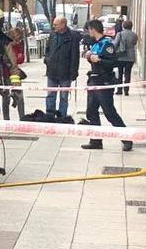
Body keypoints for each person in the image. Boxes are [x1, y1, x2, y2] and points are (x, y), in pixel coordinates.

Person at [81, 20, 132, 151]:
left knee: (109, 113)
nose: (88, 33)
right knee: (91, 111)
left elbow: (112, 62)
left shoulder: (107, 44)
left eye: (89, 30)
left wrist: (98, 60)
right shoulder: (95, 44)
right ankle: (96, 141)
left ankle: (127, 139)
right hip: (93, 80)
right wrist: (88, 56)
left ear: (93, 29)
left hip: (104, 82)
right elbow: (92, 58)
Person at [44, 17, 80, 117]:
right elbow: (47, 50)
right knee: (50, 95)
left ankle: (62, 117)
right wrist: (47, 60)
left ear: (63, 24)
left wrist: (74, 72)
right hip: (52, 72)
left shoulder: (72, 37)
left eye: (56, 24)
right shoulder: (53, 35)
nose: (53, 26)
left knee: (64, 97)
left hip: (65, 73)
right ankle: (49, 116)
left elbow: (75, 56)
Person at [1, 27, 26, 121]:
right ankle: (6, 119)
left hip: (16, 75)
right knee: (6, 98)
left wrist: (19, 56)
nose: (18, 41)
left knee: (20, 98)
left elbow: (20, 60)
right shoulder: (5, 46)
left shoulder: (18, 46)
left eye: (20, 39)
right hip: (5, 74)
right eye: (16, 39)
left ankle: (22, 119)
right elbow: (5, 61)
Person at [114, 20, 138, 96]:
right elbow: (134, 43)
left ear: (123, 26)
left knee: (120, 74)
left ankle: (119, 90)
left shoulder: (120, 34)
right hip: (130, 57)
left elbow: (115, 44)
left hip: (120, 57)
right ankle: (126, 91)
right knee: (128, 74)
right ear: (131, 26)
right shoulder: (134, 35)